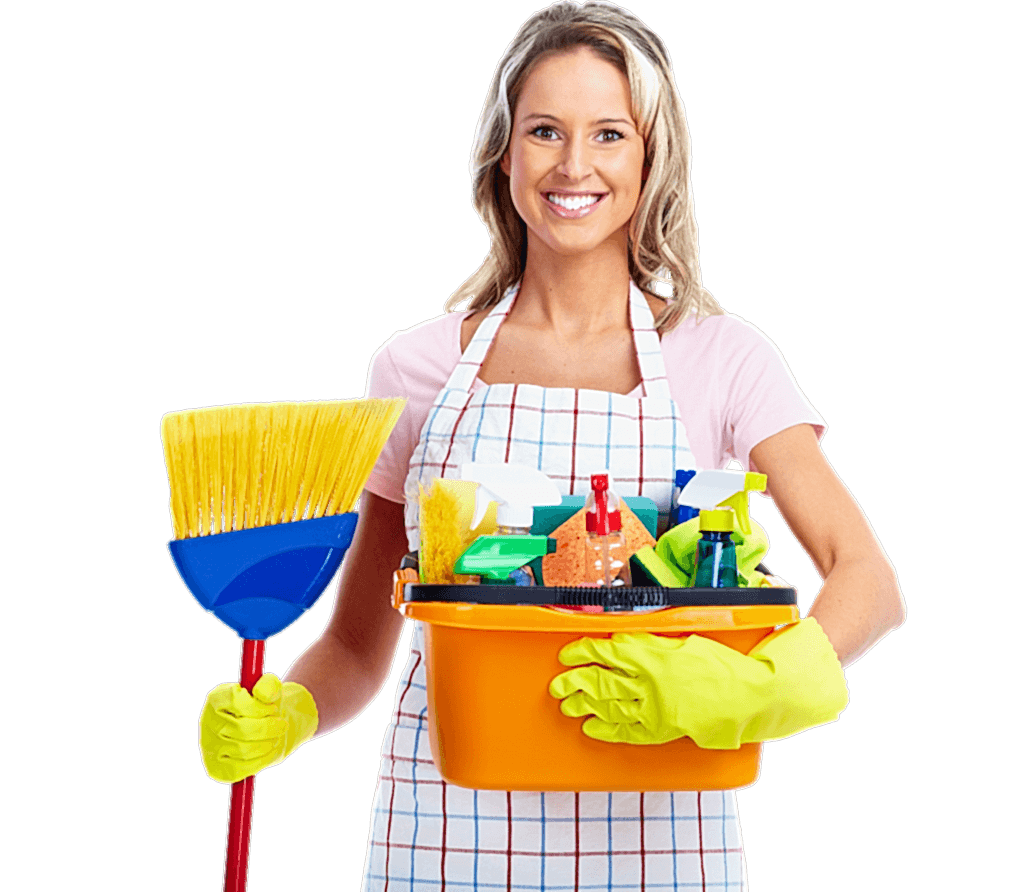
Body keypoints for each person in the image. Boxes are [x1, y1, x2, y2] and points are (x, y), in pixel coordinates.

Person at [198, 2, 906, 888]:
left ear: (652, 158)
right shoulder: (413, 367)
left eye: (609, 133)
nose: (575, 165)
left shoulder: (723, 357)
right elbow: (358, 648)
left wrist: (760, 684)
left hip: (662, 841)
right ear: (502, 151)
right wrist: (291, 712)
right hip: (445, 835)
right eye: (544, 130)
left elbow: (870, 582)